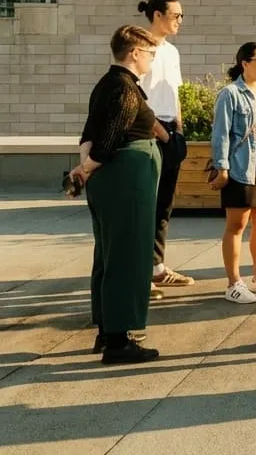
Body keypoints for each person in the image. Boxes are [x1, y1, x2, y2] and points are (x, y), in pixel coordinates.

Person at [70, 26, 163, 364]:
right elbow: (108, 141)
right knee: (129, 255)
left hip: (112, 179)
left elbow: (88, 134)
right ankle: (120, 340)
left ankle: (108, 330)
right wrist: (89, 166)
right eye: (150, 52)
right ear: (135, 52)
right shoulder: (125, 88)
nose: (153, 58)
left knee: (109, 254)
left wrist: (84, 168)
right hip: (127, 177)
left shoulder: (106, 84)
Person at [137, 0, 195, 294]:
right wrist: (160, 131)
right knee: (145, 205)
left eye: (182, 16)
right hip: (148, 132)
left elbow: (175, 93)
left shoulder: (172, 52)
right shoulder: (140, 48)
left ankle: (157, 267)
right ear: (157, 15)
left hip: (171, 130)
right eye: (175, 15)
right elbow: (136, 99)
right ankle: (138, 274)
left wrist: (179, 131)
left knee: (164, 204)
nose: (180, 21)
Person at [211, 42, 256, 304]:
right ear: (244, 64)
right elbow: (221, 133)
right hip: (240, 161)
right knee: (237, 224)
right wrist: (222, 167)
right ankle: (233, 282)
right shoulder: (230, 94)